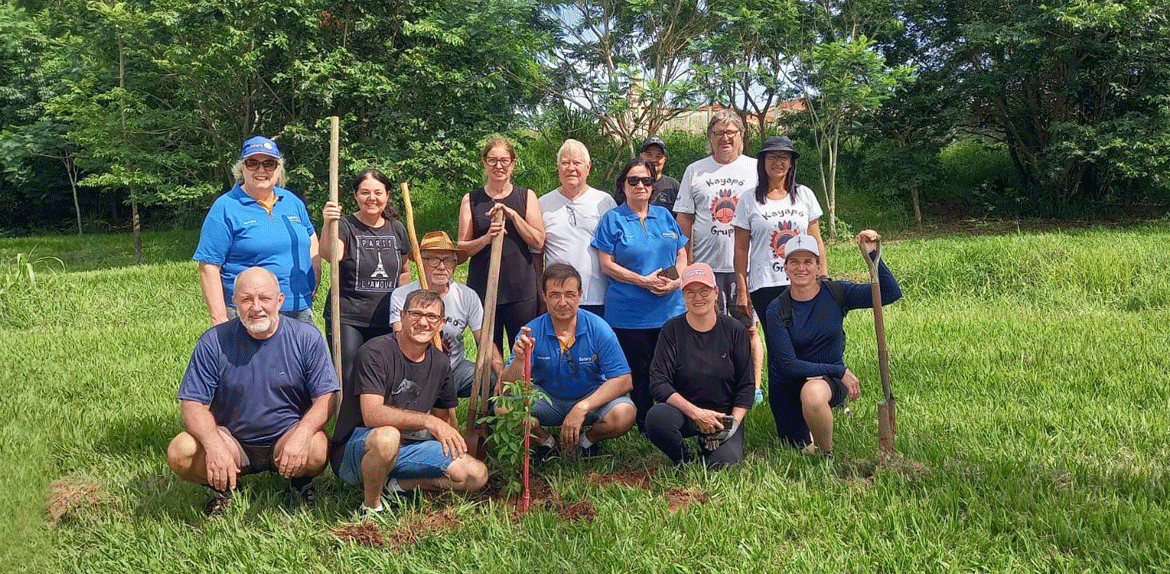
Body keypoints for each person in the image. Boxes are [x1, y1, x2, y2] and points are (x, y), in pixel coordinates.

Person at [167, 267, 339, 515]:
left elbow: (326, 398)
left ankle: (300, 484)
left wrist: (302, 434)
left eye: (264, 298)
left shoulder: (306, 338)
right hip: (231, 440)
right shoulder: (214, 341)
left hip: (286, 436)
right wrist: (214, 445)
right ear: (234, 301)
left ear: (280, 300)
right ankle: (224, 489)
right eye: (246, 299)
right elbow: (192, 405)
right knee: (181, 451)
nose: (256, 307)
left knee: (318, 446)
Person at [331, 289, 489, 517]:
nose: (423, 322)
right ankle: (371, 507)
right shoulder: (375, 352)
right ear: (402, 316)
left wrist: (457, 444)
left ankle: (397, 485)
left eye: (432, 317)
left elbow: (443, 418)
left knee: (476, 474)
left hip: (408, 449)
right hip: (356, 451)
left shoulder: (440, 363)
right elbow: (372, 415)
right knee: (388, 437)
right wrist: (428, 421)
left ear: (442, 323)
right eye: (416, 314)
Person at [765, 231, 901, 456]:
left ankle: (824, 453)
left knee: (813, 394)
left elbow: (888, 293)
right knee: (794, 445)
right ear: (786, 267)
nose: (801, 268)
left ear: (819, 267)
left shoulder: (837, 293)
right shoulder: (776, 309)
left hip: (827, 383)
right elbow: (789, 365)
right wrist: (839, 370)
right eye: (794, 262)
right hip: (789, 385)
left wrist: (872, 251)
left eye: (808, 262)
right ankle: (809, 425)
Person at [498, 263, 635, 459]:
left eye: (569, 294)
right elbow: (507, 387)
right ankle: (548, 443)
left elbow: (624, 380)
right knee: (503, 408)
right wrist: (520, 360)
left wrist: (582, 407)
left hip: (591, 398)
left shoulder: (599, 328)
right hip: (548, 399)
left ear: (580, 295)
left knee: (624, 413)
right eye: (555, 295)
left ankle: (585, 442)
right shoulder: (531, 331)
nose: (562, 302)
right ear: (544, 297)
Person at [673, 110, 764, 399]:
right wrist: (684, 265)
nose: (725, 138)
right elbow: (684, 220)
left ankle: (753, 387)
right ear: (710, 138)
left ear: (741, 136)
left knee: (748, 328)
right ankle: (714, 386)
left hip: (745, 268)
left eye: (731, 133)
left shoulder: (755, 169)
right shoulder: (695, 170)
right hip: (705, 268)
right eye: (718, 133)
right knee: (708, 331)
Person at [592, 157, 688, 431]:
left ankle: (672, 419)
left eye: (646, 180)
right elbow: (606, 264)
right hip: (629, 312)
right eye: (633, 180)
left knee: (672, 368)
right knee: (639, 371)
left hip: (670, 308)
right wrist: (642, 281)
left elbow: (681, 253)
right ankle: (644, 423)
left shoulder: (666, 216)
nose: (640, 186)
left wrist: (676, 281)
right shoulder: (613, 219)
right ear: (623, 185)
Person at [194, 136, 320, 326]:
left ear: (278, 169)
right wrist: (219, 318)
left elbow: (310, 236)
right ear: (242, 168)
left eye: (269, 163)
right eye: (253, 163)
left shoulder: (292, 201)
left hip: (298, 307)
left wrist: (314, 275)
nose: (261, 170)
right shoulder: (225, 207)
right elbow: (209, 266)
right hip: (252, 312)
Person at [646, 263, 754, 468]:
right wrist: (697, 414)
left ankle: (714, 445)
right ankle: (683, 459)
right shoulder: (672, 330)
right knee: (657, 418)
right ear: (683, 295)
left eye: (704, 291)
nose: (698, 298)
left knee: (724, 465)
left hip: (723, 415)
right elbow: (658, 382)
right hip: (686, 413)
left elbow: (746, 385)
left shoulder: (734, 330)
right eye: (690, 292)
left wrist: (732, 425)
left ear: (716, 292)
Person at [320, 169, 412, 395]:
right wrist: (327, 223)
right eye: (365, 192)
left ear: (387, 195)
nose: (372, 198)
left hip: (386, 317)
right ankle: (349, 426)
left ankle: (378, 423)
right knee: (349, 375)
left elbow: (404, 272)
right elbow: (332, 255)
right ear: (355, 196)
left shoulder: (397, 228)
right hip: (349, 317)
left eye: (378, 192)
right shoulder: (345, 225)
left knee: (382, 375)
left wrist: (404, 309)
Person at [457, 135, 546, 356]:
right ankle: (490, 390)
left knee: (525, 352)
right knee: (488, 353)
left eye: (504, 160)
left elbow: (538, 240)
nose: (499, 166)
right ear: (484, 163)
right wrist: (486, 238)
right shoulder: (471, 199)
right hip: (484, 287)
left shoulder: (526, 196)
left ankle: (523, 391)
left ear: (513, 164)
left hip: (521, 289)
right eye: (492, 160)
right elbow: (461, 248)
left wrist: (514, 216)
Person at [388, 231, 502, 397]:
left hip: (454, 370)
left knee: (489, 380)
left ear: (455, 265)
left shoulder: (466, 296)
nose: (441, 266)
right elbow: (400, 337)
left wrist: (500, 372)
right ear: (421, 263)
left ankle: (484, 423)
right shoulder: (402, 295)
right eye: (434, 259)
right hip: (413, 372)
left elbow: (484, 340)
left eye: (448, 260)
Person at [733, 135, 828, 334]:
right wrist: (742, 289)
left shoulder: (805, 195)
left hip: (803, 279)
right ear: (763, 162)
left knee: (807, 337)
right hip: (765, 284)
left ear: (791, 163)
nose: (778, 162)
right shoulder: (748, 199)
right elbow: (741, 248)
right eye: (772, 157)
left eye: (784, 157)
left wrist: (823, 275)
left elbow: (816, 239)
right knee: (777, 343)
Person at [538, 139, 616, 317]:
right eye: (565, 163)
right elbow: (537, 254)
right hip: (559, 299)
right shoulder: (543, 203)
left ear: (588, 167)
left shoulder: (604, 202)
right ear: (558, 167)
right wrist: (540, 291)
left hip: (597, 297)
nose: (571, 168)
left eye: (577, 163)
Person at [640, 136, 680, 213]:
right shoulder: (632, 183)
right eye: (649, 155)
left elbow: (682, 216)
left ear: (665, 159)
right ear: (641, 156)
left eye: (658, 156)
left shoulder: (673, 185)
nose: (653, 159)